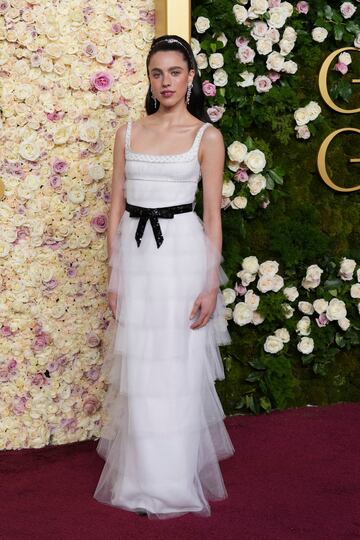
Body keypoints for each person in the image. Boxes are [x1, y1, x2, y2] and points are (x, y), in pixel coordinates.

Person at [93, 34, 235, 520]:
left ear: (191, 76)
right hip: (135, 258)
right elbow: (115, 207)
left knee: (175, 368)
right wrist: (113, 276)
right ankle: (138, 481)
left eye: (175, 71)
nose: (166, 81)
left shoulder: (206, 136)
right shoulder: (128, 132)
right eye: (157, 73)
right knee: (141, 370)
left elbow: (212, 215)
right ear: (149, 79)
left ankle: (172, 484)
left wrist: (210, 284)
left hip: (180, 256)